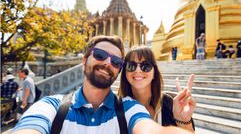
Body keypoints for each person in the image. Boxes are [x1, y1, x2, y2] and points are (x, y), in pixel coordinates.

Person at [11, 36, 192, 134]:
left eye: (115, 61)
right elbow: (30, 127)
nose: (107, 63)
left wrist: (183, 121)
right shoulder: (52, 106)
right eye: (99, 55)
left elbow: (150, 129)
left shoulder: (129, 108)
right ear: (84, 60)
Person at [118, 45, 195, 132]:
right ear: (125, 73)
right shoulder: (118, 108)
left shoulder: (171, 103)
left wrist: (183, 121)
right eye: (131, 65)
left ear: (154, 72)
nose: (138, 70)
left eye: (145, 65)